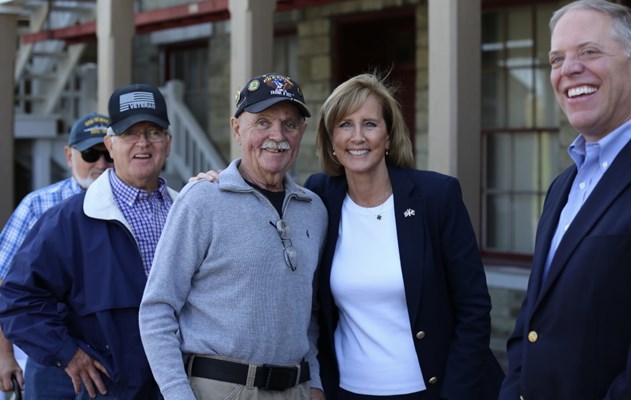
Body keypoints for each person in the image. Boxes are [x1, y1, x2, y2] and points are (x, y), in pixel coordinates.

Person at [303, 73, 504, 400]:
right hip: (347, 392)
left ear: (389, 136)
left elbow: (474, 310)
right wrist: (213, 182)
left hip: (432, 390)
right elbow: (268, 203)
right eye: (344, 125)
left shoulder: (437, 196)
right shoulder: (319, 196)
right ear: (330, 141)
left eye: (369, 124)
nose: (357, 137)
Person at [139, 73, 328, 400]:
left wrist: (314, 384)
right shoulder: (201, 201)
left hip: (296, 389)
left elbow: (308, 312)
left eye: (290, 124)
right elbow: (157, 309)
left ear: (303, 133)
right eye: (262, 123)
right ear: (237, 128)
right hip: (220, 390)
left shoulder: (314, 209)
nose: (277, 135)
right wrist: (177, 395)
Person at [0, 83, 177, 399]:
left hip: (172, 388)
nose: (143, 143)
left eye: (153, 132)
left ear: (168, 142)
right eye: (130, 134)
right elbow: (16, 298)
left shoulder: (187, 212)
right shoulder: (67, 219)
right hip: (100, 392)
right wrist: (67, 353)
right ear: (111, 144)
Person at [500, 1, 631, 399]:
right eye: (557, 58)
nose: (568, 69)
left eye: (589, 52)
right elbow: (532, 319)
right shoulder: (562, 186)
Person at [0, 112, 112, 399]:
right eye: (89, 153)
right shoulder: (38, 205)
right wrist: (4, 355)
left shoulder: (132, 205)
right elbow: (3, 284)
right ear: (68, 155)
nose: (100, 164)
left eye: (107, 154)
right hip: (49, 356)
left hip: (113, 357)